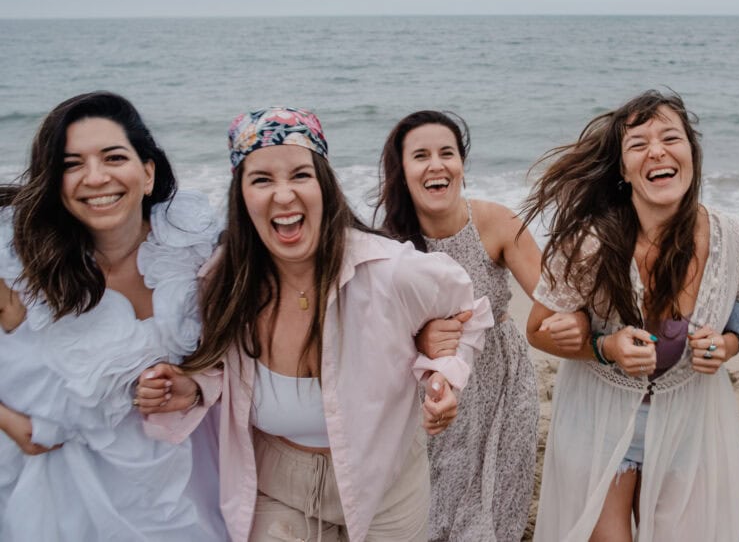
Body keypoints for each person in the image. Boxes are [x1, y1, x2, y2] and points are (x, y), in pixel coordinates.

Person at [137, 106, 493, 542]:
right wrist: (190, 388)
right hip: (276, 479)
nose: (283, 196)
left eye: (300, 176)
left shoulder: (391, 271)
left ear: (324, 185)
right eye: (262, 179)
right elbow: (225, 371)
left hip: (385, 478)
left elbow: (471, 311)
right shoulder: (223, 280)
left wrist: (445, 374)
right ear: (241, 195)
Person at [521, 90, 739, 542]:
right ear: (623, 169)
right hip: (599, 419)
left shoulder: (732, 237)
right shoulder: (589, 243)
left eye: (670, 137)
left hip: (690, 422)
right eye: (638, 144)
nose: (656, 150)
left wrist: (725, 346)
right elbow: (536, 331)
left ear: (691, 154)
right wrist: (605, 346)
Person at [0, 91, 225, 540]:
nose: (95, 177)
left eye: (113, 157)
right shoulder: (18, 259)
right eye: (71, 164)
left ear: (147, 172)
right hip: (57, 482)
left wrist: (194, 385)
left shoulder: (195, 244)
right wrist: (12, 423)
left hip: (182, 478)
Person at [375, 110, 545, 542]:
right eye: (421, 156)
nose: (437, 164)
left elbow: (556, 299)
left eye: (447, 153)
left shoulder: (496, 222)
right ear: (403, 172)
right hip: (427, 391)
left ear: (462, 166)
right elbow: (369, 338)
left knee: (497, 506)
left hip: (501, 384)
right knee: (431, 508)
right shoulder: (387, 245)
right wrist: (419, 337)